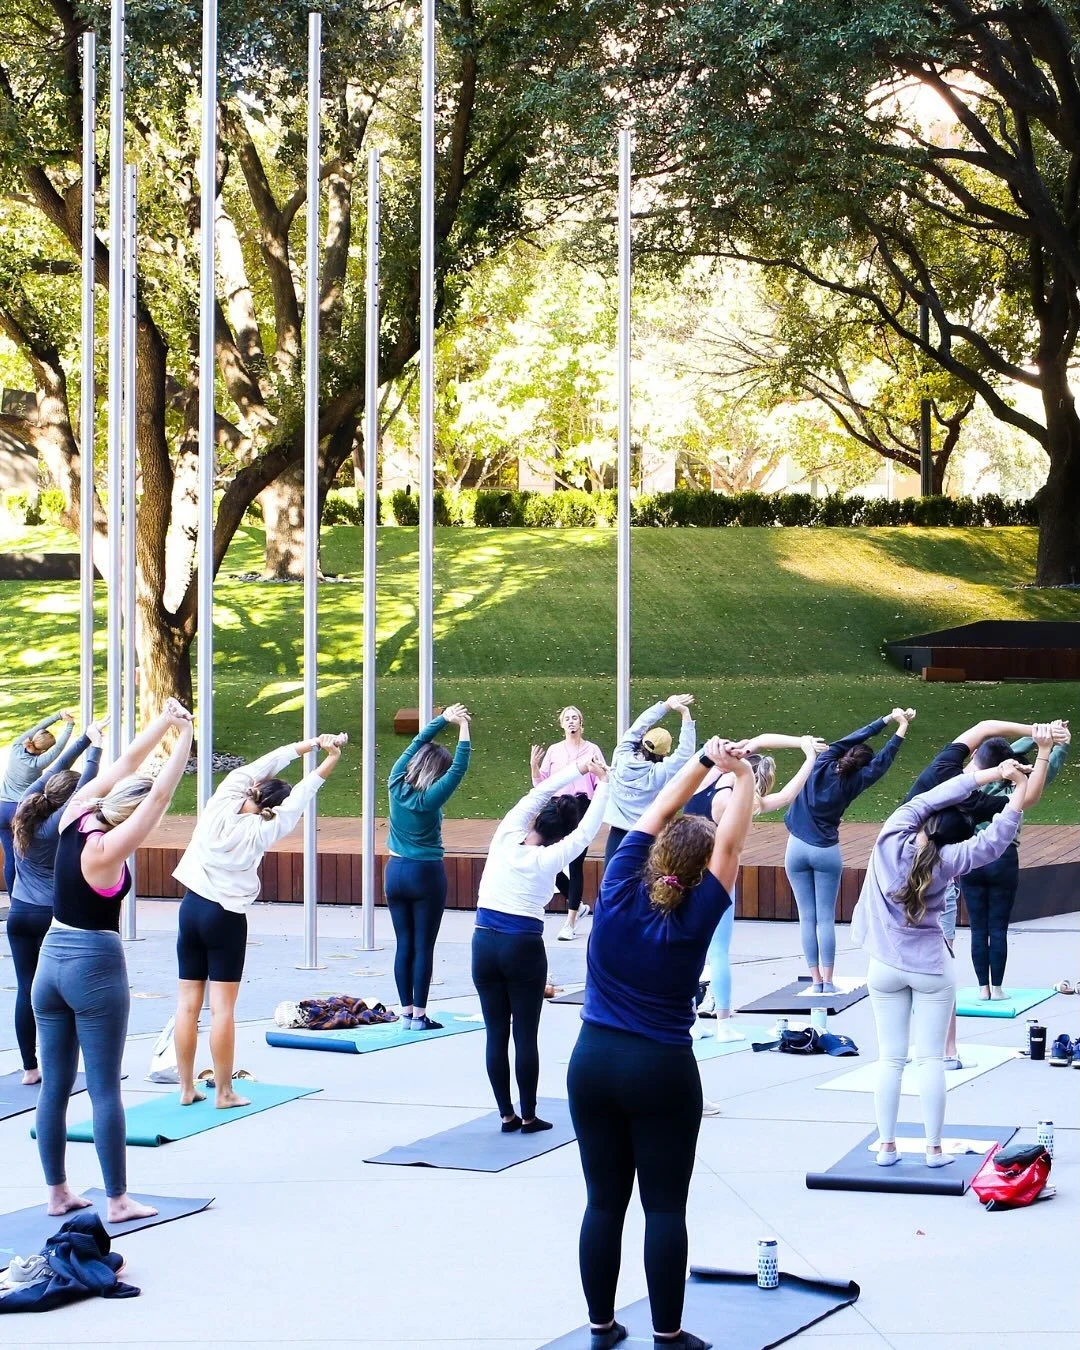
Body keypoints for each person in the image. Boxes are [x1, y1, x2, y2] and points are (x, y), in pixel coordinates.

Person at [567, 737, 756, 1350]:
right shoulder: (699, 911)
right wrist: (744, 777)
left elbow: (654, 815)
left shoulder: (620, 880)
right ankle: (668, 1337)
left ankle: (601, 1328)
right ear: (700, 873)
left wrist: (705, 761)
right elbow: (730, 842)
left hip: (592, 1061)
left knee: (603, 1204)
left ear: (654, 854)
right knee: (665, 1208)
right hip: (661, 1071)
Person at [33, 698, 193, 1224]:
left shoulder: (76, 814)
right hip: (93, 966)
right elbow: (162, 794)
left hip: (49, 962)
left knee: (56, 1086)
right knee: (104, 1087)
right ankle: (118, 1199)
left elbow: (124, 764)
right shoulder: (109, 850)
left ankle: (58, 1193)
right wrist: (185, 736)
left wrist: (163, 724)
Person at [851, 758, 1030, 1169]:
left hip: (883, 965)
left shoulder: (890, 834)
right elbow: (998, 838)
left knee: (891, 1059)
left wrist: (993, 773)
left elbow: (938, 793)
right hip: (929, 967)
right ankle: (933, 1150)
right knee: (930, 1060)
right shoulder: (948, 861)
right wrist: (1017, 786)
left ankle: (887, 1147)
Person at [172, 732, 347, 1107]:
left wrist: (312, 743)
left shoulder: (221, 802)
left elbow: (271, 758)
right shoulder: (268, 826)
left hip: (191, 909)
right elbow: (306, 789)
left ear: (253, 788)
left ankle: (186, 1089)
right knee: (222, 1009)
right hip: (226, 917)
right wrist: (331, 756)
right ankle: (223, 1092)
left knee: (187, 1004)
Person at [473, 751, 609, 1132]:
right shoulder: (549, 858)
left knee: (496, 1033)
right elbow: (586, 833)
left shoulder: (505, 836)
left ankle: (506, 1114)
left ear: (537, 820)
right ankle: (529, 1115)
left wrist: (579, 770)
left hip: (483, 942)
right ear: (559, 834)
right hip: (522, 946)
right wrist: (604, 786)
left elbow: (539, 792)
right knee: (525, 1034)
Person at [688, 734, 824, 1042]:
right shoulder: (741, 803)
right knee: (718, 951)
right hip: (717, 878)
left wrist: (798, 742)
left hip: (685, 872)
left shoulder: (705, 779)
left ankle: (691, 1019)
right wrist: (808, 755)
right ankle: (723, 1023)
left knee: (690, 948)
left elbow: (759, 740)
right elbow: (789, 795)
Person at [784, 709, 912, 993]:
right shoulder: (856, 782)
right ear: (861, 767)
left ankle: (815, 980)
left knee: (807, 917)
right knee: (825, 918)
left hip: (795, 849)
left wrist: (887, 719)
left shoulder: (823, 760)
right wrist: (902, 728)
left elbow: (857, 735)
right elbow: (883, 762)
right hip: (825, 851)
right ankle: (828, 981)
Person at [9, 717, 108, 1084]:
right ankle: (58, 1064)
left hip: (19, 915)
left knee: (25, 988)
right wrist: (95, 748)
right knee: (60, 994)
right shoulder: (58, 826)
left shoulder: (23, 811)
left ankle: (29, 1069)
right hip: (51, 918)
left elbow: (59, 770)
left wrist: (85, 740)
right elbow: (85, 787)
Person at [963, 722, 1068, 999]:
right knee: (997, 927)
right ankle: (997, 989)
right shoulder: (1019, 790)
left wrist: (1032, 737)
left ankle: (982, 989)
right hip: (1003, 858)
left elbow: (995, 754)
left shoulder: (974, 785)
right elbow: (1048, 770)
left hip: (972, 856)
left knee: (978, 927)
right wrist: (1057, 744)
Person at [385, 705, 471, 1029]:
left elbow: (417, 742)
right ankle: (419, 1015)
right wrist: (463, 726)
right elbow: (460, 767)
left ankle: (404, 1012)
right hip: (426, 874)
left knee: (403, 943)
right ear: (437, 771)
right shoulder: (431, 797)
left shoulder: (395, 781)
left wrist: (444, 719)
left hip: (395, 872)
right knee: (424, 946)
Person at [529, 706, 605, 941]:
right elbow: (541, 783)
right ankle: (578, 905)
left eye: (575, 718)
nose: (571, 722)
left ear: (582, 724)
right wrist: (533, 765)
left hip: (580, 807)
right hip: (557, 806)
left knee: (575, 862)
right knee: (542, 853)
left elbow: (602, 778)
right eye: (567, 719)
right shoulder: (554, 750)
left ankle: (570, 922)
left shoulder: (592, 749)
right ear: (561, 724)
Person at [602, 695, 697, 867]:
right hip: (646, 834)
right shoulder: (659, 772)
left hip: (617, 833)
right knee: (647, 883)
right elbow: (685, 752)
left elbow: (638, 726)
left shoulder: (621, 755)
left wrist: (666, 705)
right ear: (662, 754)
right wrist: (685, 714)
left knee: (611, 878)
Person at [1, 709, 75, 895]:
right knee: (24, 858)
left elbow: (37, 727)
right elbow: (61, 752)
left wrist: (58, 715)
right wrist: (69, 725)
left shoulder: (16, 747)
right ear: (43, 750)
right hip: (16, 811)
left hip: (0, 808)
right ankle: (28, 896)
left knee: (10, 859)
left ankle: (13, 899)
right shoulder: (37, 764)